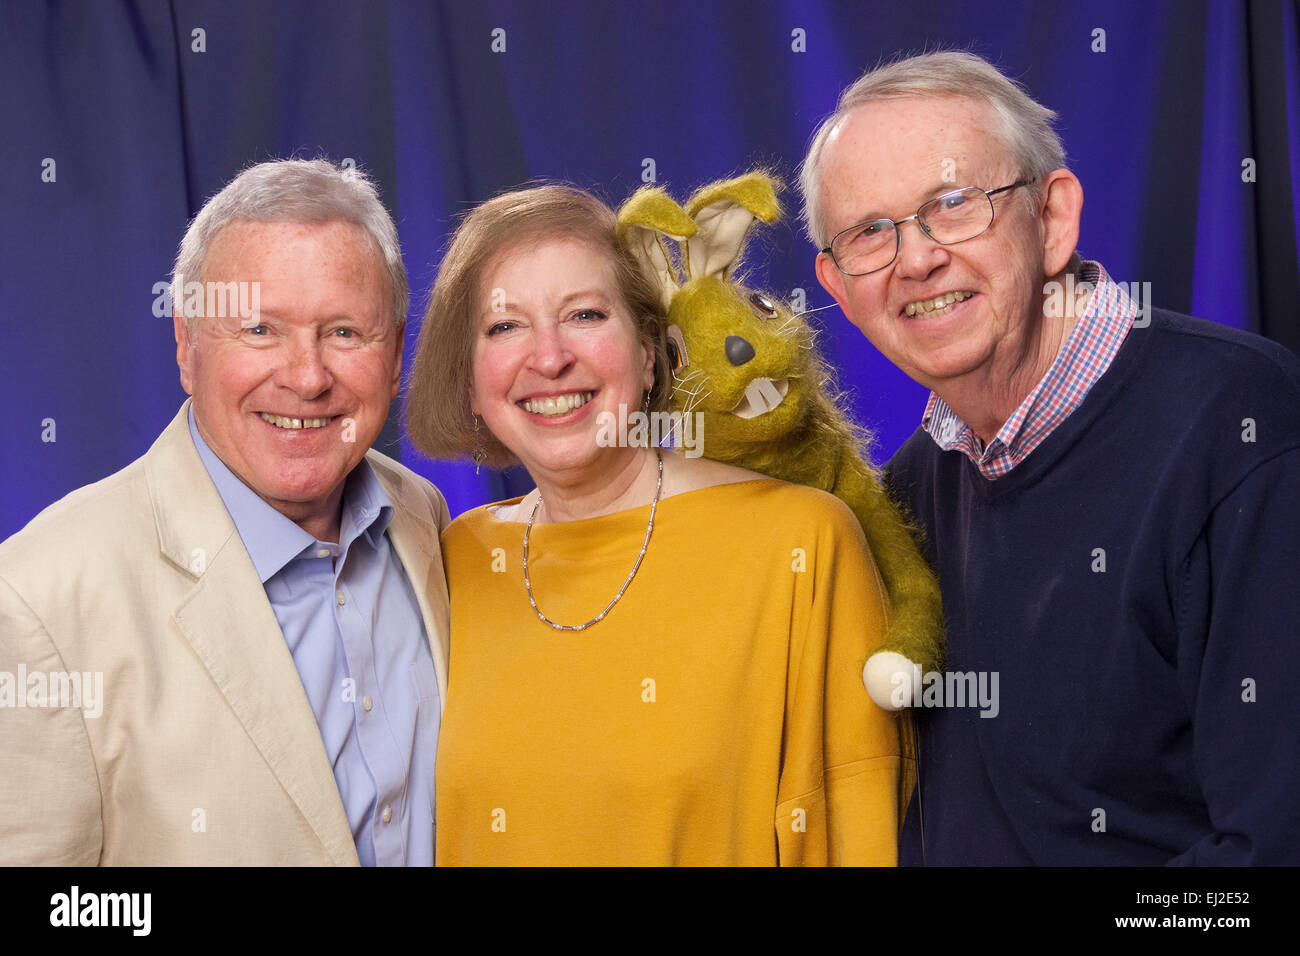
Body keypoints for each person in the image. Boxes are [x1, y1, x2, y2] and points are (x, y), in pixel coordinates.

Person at [803, 50, 1300, 865]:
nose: (917, 259)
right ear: (838, 285)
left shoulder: (1246, 428)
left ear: (1054, 219)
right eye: (870, 233)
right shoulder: (908, 493)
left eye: (954, 204)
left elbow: (1270, 850)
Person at [407, 184, 911, 865]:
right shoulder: (456, 558)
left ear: (651, 355)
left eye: (584, 315)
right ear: (468, 376)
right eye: (504, 326)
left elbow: (857, 833)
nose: (549, 357)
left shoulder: (802, 541)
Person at [0, 159, 450, 866]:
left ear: (394, 355)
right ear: (187, 346)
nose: (306, 377)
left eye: (343, 333)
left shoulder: (422, 517)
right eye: (261, 329)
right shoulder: (38, 600)